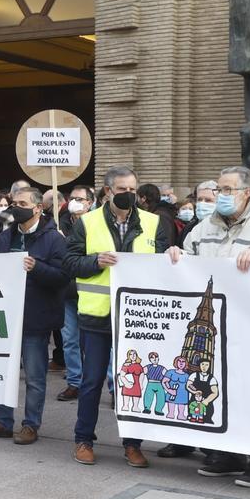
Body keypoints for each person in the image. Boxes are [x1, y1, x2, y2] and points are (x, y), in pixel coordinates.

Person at [162, 167, 250, 480]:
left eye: (226, 189)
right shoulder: (203, 226)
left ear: (246, 192)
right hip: (215, 329)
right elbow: (189, 258)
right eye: (219, 189)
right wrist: (176, 254)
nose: (220, 195)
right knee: (223, 389)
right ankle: (228, 454)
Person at [64, 165, 171, 468]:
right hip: (97, 317)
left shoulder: (153, 223)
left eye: (132, 190)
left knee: (132, 383)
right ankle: (83, 439)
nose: (129, 195)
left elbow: (164, 265)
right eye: (122, 190)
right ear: (108, 191)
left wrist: (174, 257)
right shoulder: (87, 223)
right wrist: (95, 261)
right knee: (91, 382)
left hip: (137, 320)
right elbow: (69, 262)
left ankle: (133, 444)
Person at [0, 186, 69, 445]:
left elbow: (62, 278)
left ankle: (30, 425)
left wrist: (37, 268)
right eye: (14, 202)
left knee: (35, 377)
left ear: (38, 208)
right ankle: (3, 421)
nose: (16, 207)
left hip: (35, 318)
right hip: (6, 317)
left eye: (22, 203)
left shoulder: (53, 239)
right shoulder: (6, 236)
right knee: (2, 372)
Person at [55, 185, 95, 402]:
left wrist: (66, 242)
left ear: (90, 202)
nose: (76, 202)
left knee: (96, 341)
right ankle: (74, 382)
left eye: (80, 199)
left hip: (93, 290)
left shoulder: (98, 225)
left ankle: (109, 385)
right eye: (73, 198)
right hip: (68, 290)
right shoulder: (57, 225)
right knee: (69, 339)